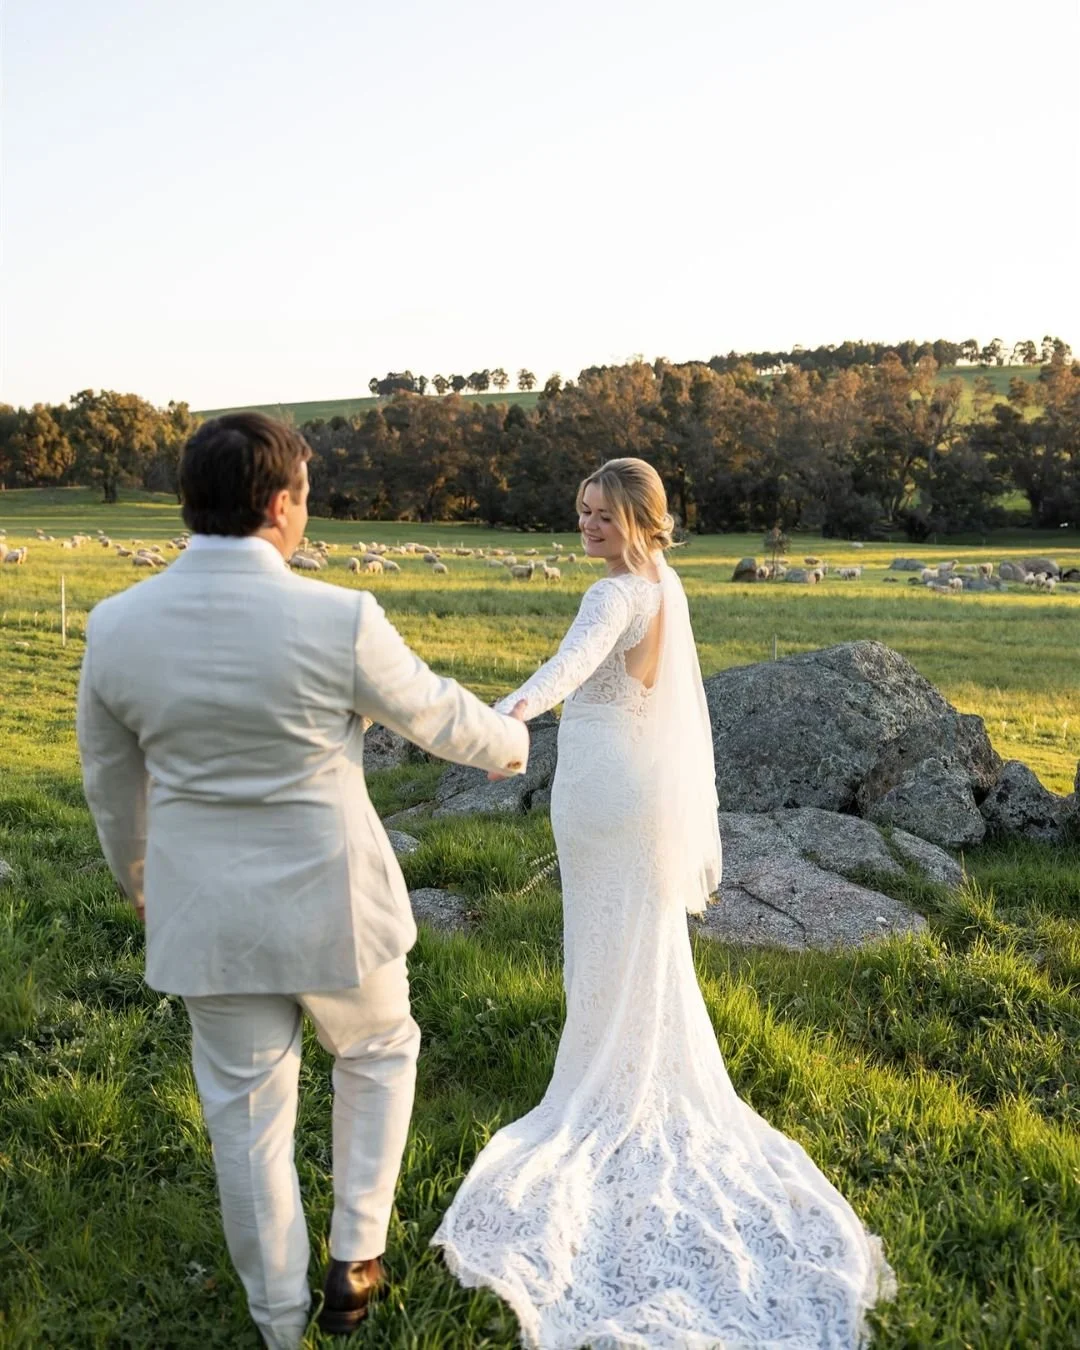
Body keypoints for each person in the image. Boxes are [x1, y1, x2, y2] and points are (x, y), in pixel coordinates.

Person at [75, 412, 529, 1350]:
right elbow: (439, 713)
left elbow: (108, 780)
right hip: (336, 902)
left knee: (245, 1120)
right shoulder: (339, 616)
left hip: (204, 910)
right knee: (378, 1052)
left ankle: (279, 1322)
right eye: (307, 498)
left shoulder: (116, 625)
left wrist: (139, 878)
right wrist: (514, 743)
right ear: (281, 503)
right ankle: (356, 1256)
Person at [433, 458, 895, 1348]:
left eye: (602, 514)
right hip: (638, 791)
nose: (588, 528)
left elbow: (566, 668)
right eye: (580, 513)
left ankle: (601, 1083)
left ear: (639, 516)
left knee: (604, 941)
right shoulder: (668, 585)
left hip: (605, 790)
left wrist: (500, 722)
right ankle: (629, 1059)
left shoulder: (614, 596)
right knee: (636, 942)